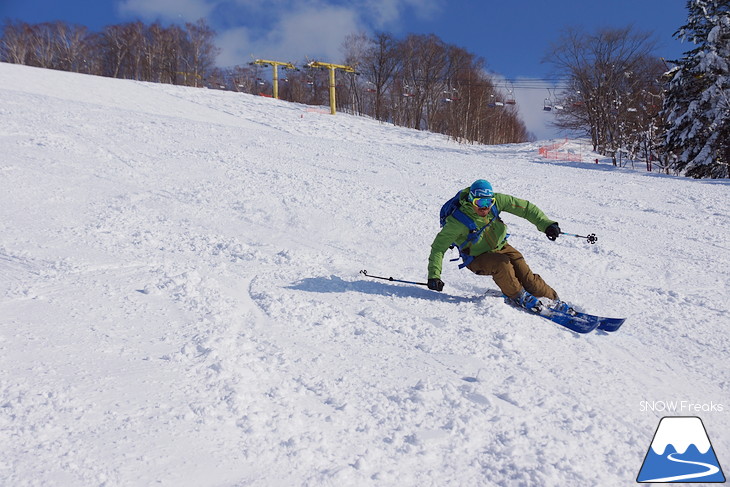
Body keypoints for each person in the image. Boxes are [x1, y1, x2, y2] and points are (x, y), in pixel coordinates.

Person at [427, 179, 570, 313]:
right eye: (479, 202)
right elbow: (438, 248)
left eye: (488, 202)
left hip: (502, 247)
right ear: (471, 200)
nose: (485, 207)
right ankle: (518, 295)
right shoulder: (457, 222)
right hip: (476, 257)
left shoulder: (497, 202)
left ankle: (552, 299)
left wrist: (546, 224)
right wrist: (434, 276)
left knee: (527, 277)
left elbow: (525, 209)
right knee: (502, 265)